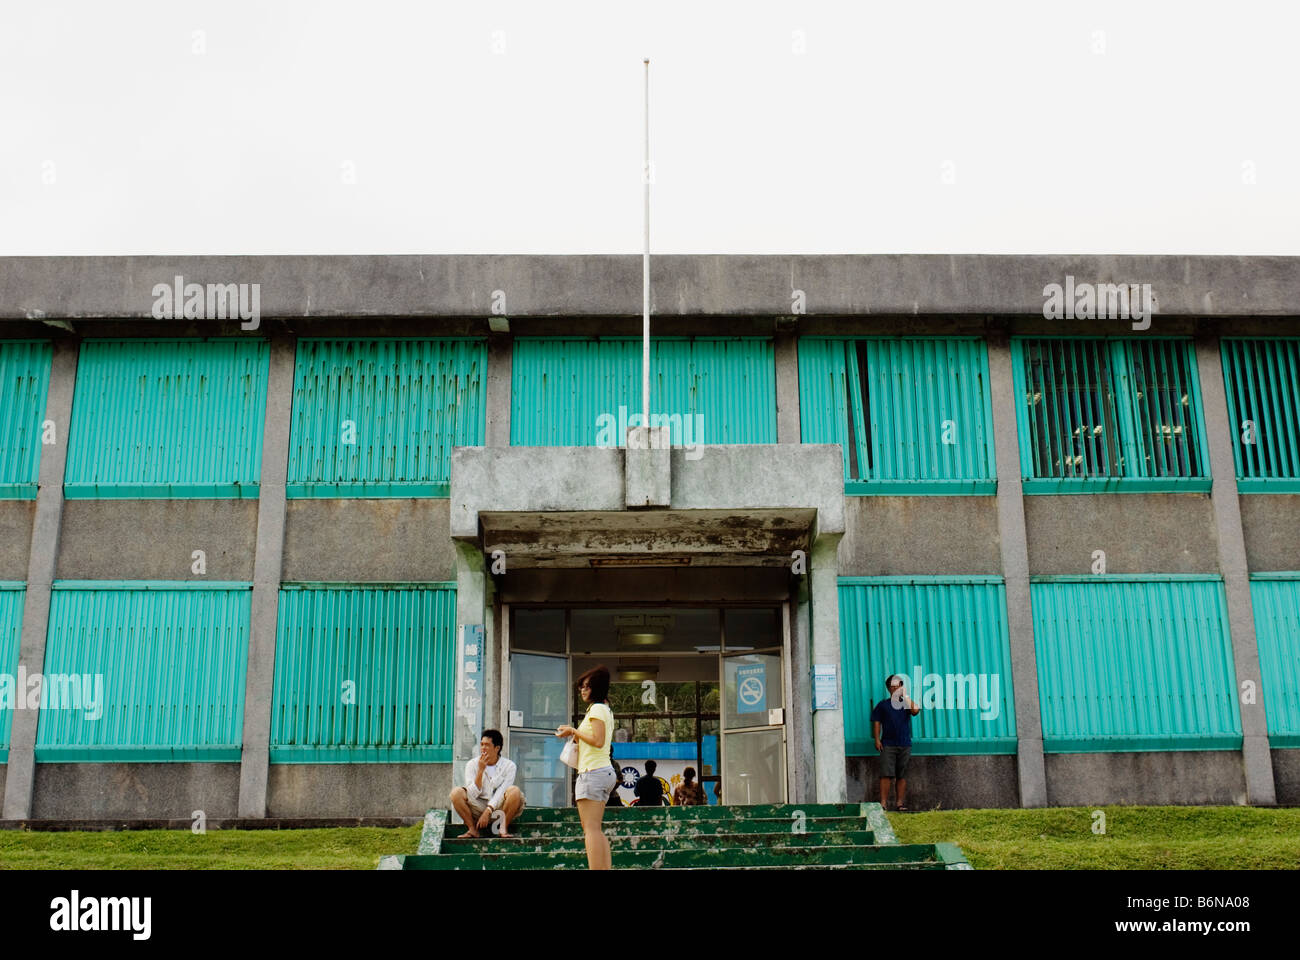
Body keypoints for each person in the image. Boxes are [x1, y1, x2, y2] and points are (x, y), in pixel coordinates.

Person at [555, 665, 617, 870]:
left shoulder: (598, 709)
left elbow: (597, 741)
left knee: (590, 830)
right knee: (594, 829)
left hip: (593, 772)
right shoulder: (602, 709)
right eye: (581, 686)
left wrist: (573, 730)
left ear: (597, 689)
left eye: (588, 687)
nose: (583, 690)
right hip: (600, 771)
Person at [448, 729, 525, 837]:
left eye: (487, 745)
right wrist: (480, 771)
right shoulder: (472, 764)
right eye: (482, 744)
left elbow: (502, 790)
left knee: (515, 791)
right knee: (456, 793)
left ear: (497, 748)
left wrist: (489, 810)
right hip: (477, 807)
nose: (483, 748)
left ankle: (503, 829)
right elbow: (472, 794)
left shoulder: (509, 766)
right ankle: (472, 829)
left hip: (499, 809)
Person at [870, 674, 921, 811]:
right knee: (886, 774)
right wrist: (876, 739)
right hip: (888, 744)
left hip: (905, 744)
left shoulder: (906, 703)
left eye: (898, 685)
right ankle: (883, 804)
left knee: (901, 775)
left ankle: (899, 803)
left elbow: (915, 710)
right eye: (893, 686)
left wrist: (905, 696)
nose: (895, 688)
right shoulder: (883, 705)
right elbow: (877, 722)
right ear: (888, 688)